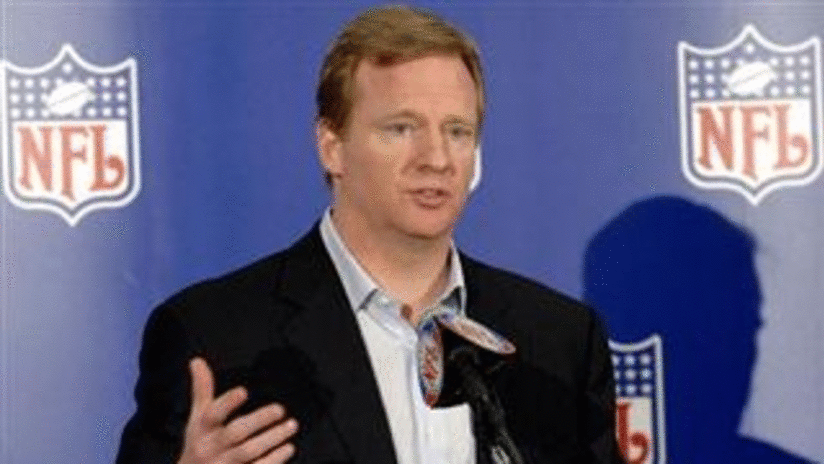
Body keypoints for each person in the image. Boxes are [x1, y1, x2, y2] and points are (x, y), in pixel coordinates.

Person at [117, 5, 623, 464]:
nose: (437, 159)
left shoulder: (557, 342)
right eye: (401, 129)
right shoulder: (217, 337)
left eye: (457, 131)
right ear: (331, 147)